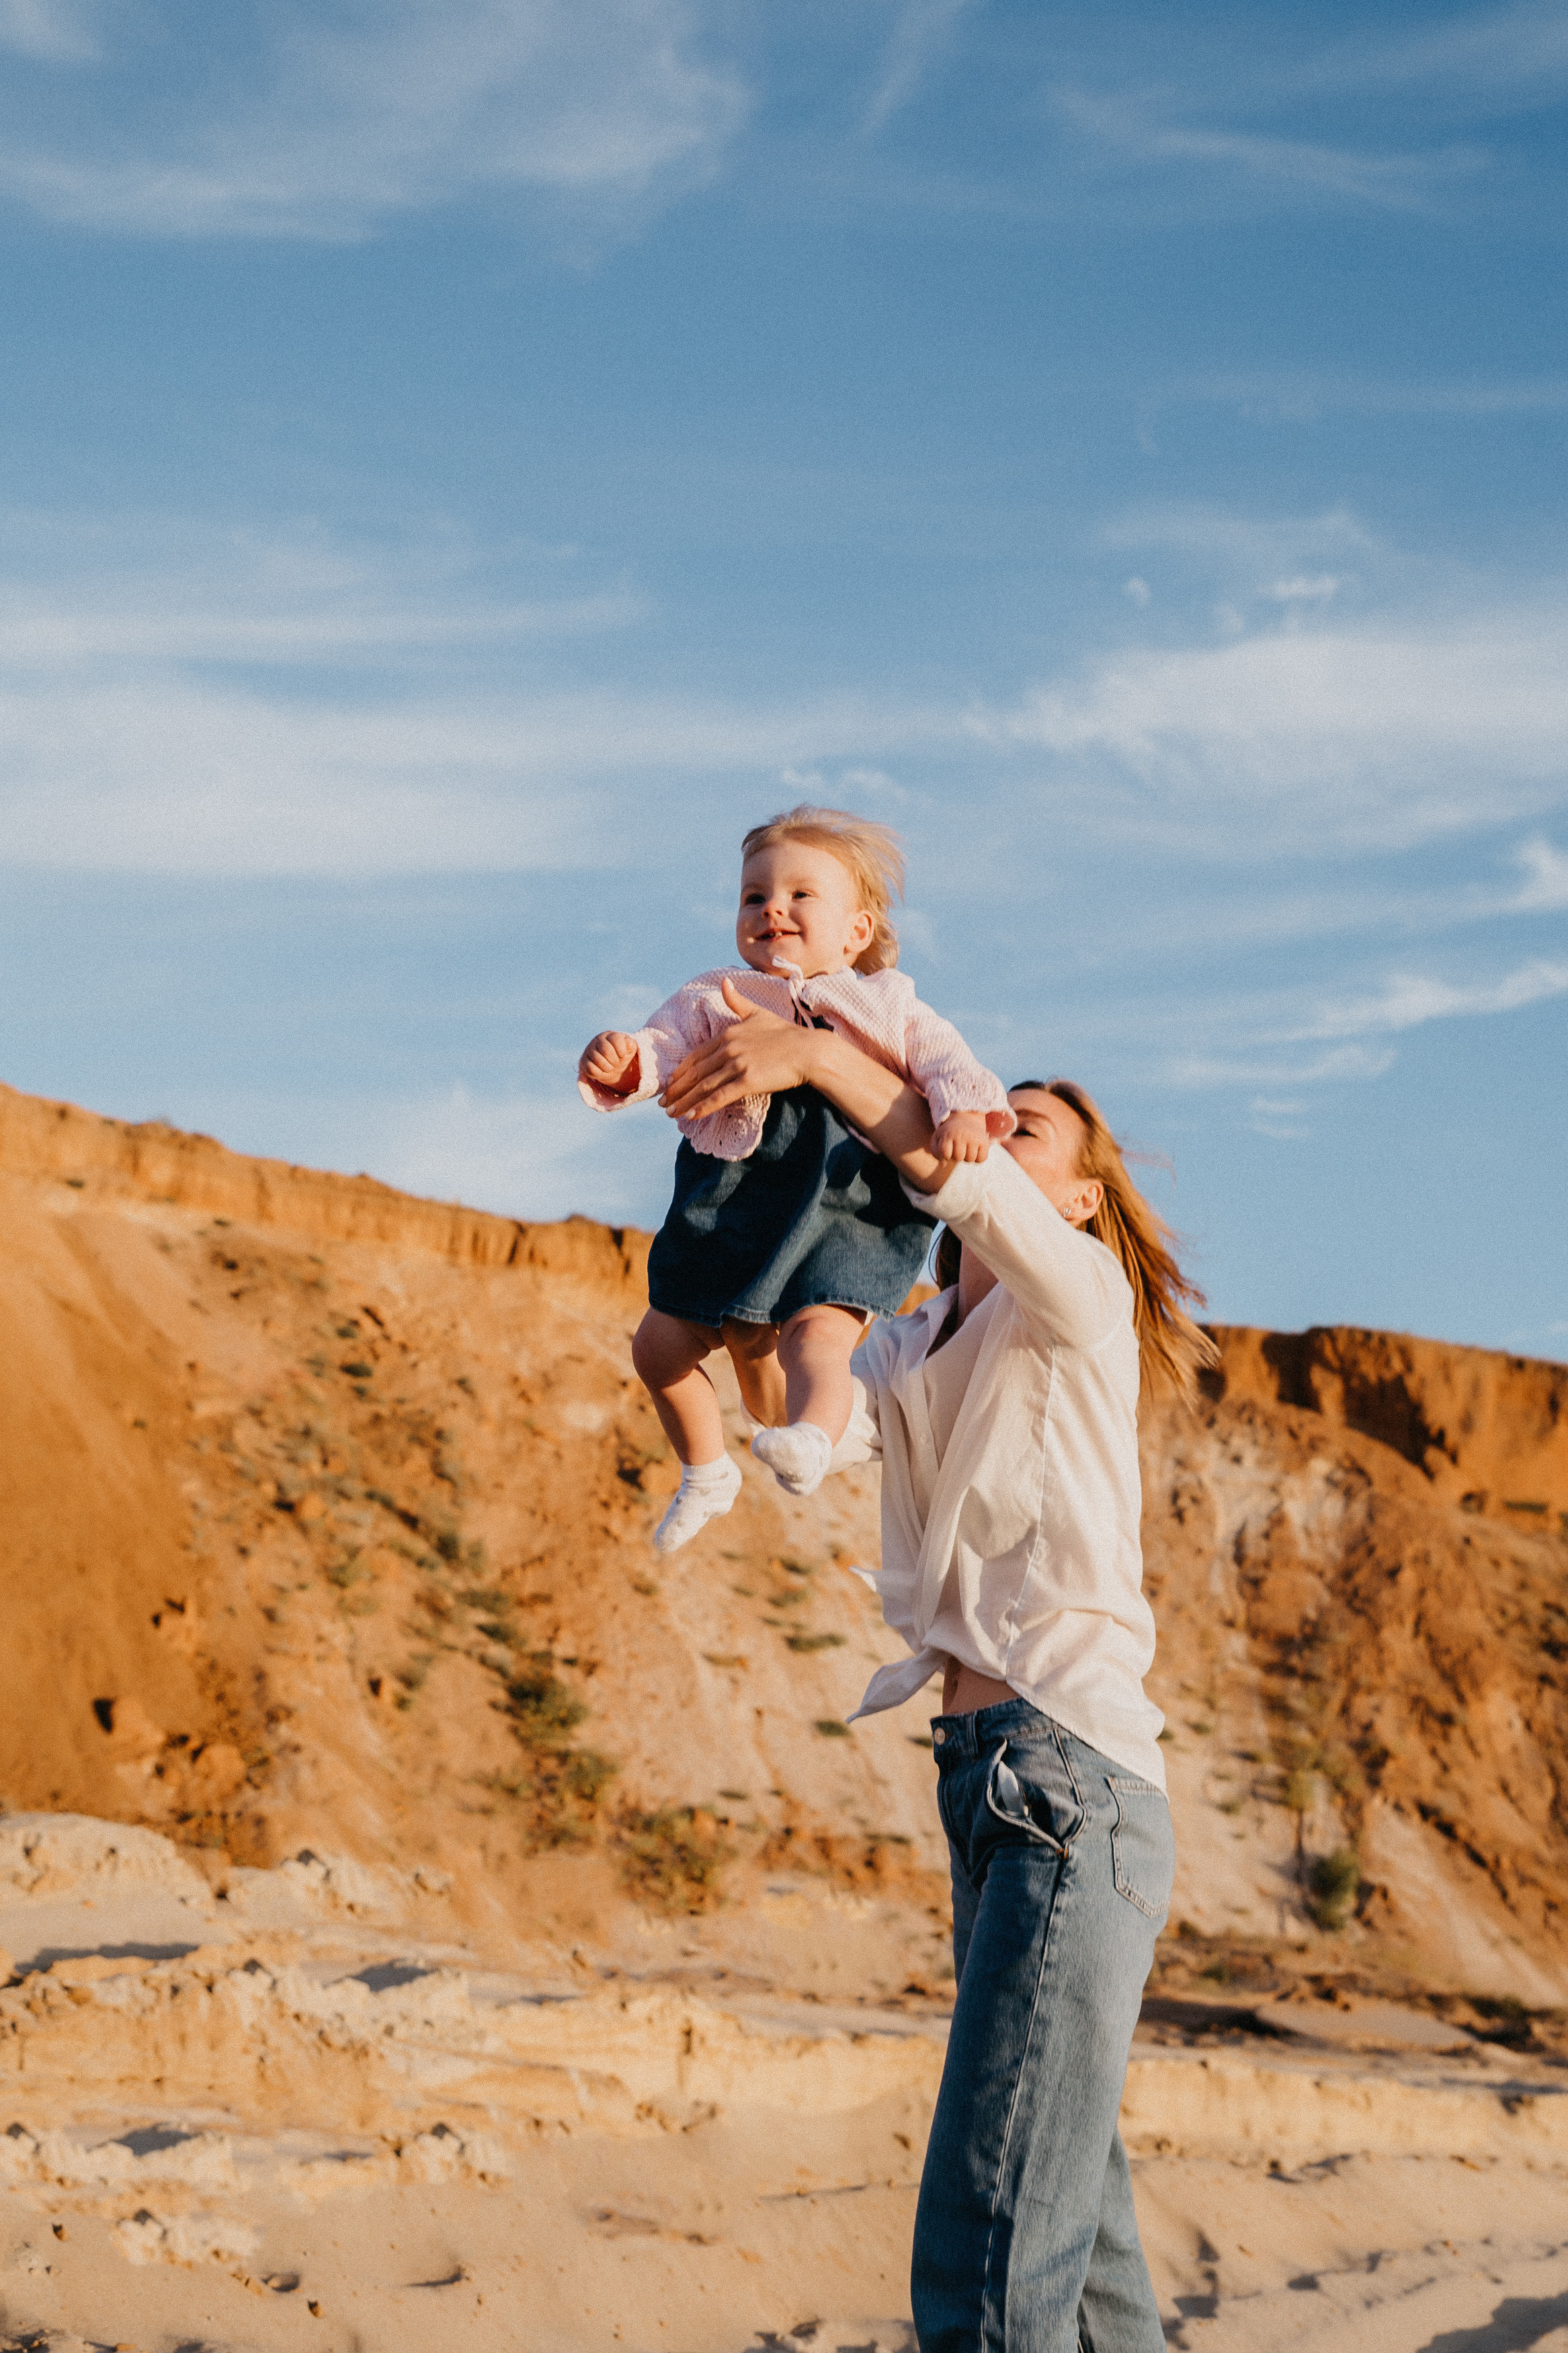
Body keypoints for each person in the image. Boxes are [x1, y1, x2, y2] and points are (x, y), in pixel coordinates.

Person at [659, 996, 1216, 2353]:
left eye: (1028, 1128)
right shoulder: (908, 1347)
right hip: (986, 1787)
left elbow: (945, 1168)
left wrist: (817, 1052)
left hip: (1066, 1779)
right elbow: (795, 1422)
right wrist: (747, 1176)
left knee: (983, 2256)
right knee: (1077, 2249)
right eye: (996, 1110)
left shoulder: (1075, 1303)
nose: (991, 1128)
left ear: (1079, 1199)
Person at [577, 805, 1014, 1553]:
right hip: (734, 1204)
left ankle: (811, 1436)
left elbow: (948, 1062)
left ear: (855, 932)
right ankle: (705, 1469)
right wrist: (628, 1062)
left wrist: (964, 1112)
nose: (771, 907)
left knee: (816, 1339)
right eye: (753, 896)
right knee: (655, 1347)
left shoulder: (887, 1004)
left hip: (845, 1205)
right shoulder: (713, 994)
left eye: (799, 894)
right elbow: (662, 1044)